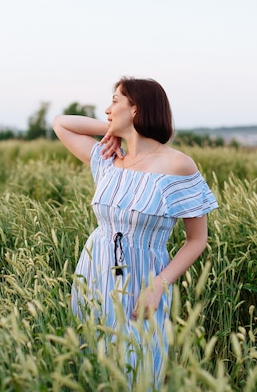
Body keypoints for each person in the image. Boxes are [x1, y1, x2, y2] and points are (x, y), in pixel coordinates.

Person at [52, 77, 218, 387]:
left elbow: (197, 240)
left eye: (115, 101)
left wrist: (159, 285)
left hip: (142, 283)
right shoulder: (109, 160)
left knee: (137, 369)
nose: (107, 109)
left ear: (136, 108)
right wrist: (113, 130)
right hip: (93, 273)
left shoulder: (178, 166)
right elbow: (61, 123)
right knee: (90, 368)